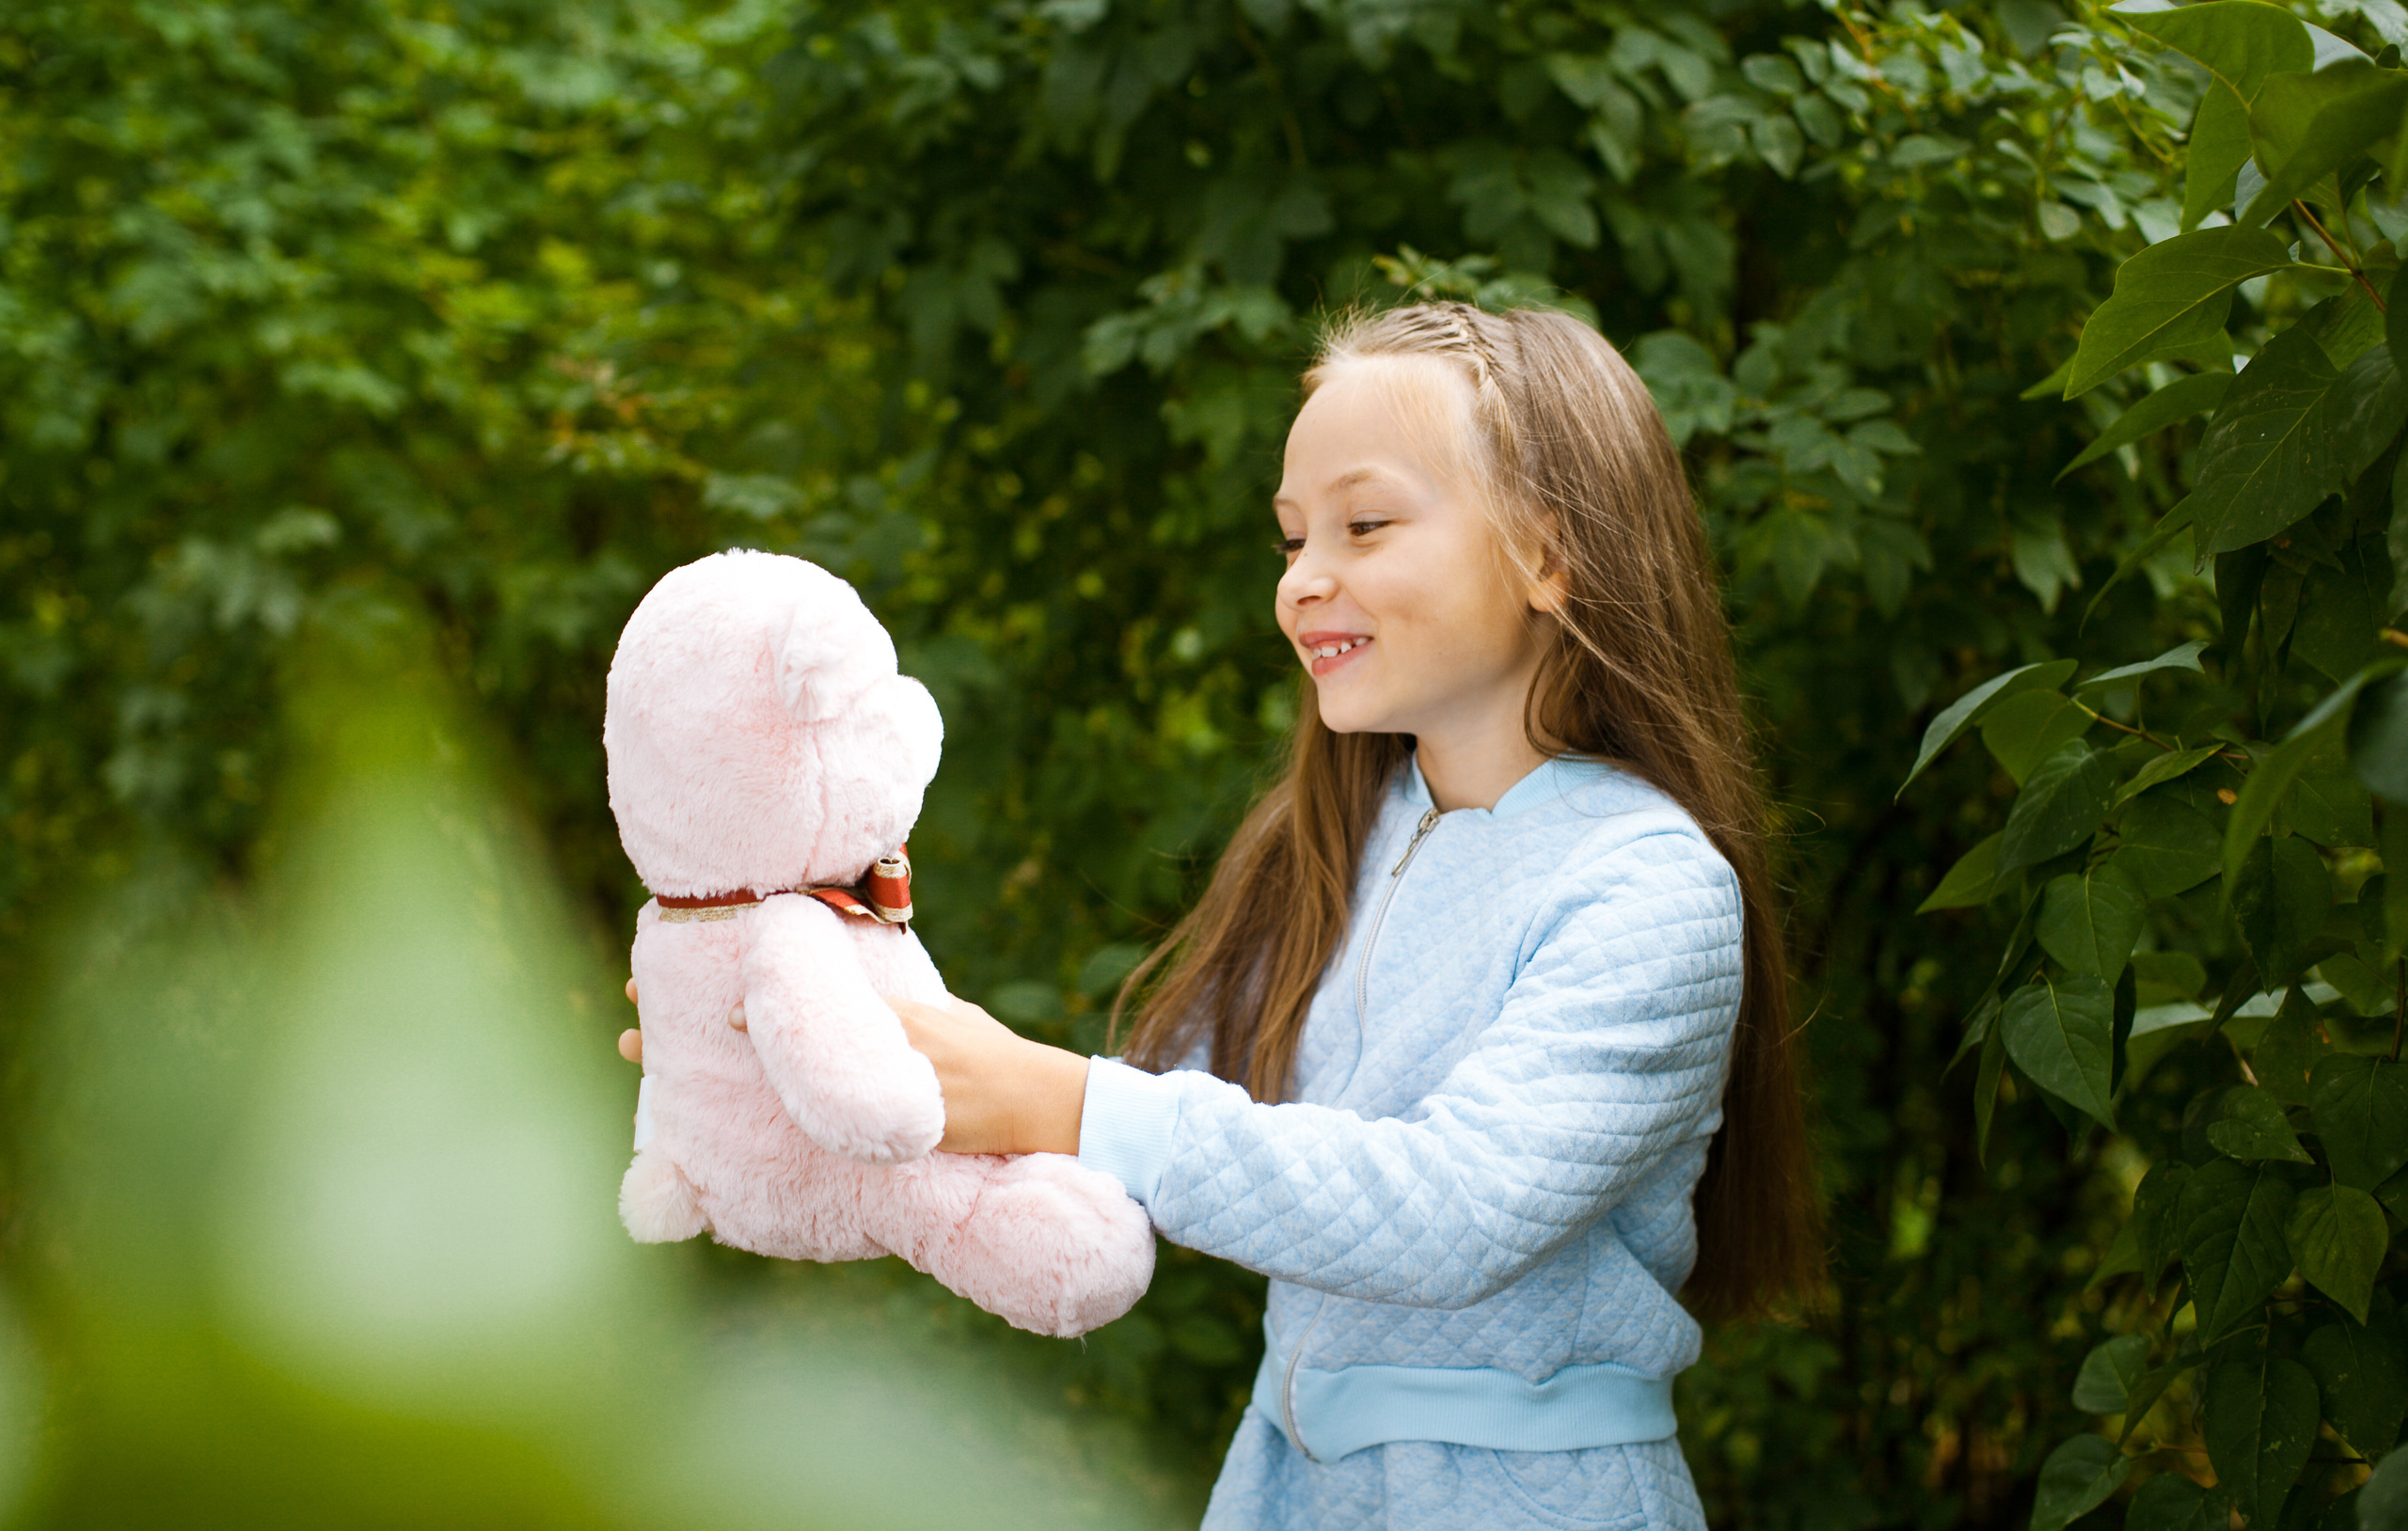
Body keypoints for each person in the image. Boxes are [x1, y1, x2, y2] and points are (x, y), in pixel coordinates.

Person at [624, 301, 1821, 1529]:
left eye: (1366, 524)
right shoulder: (1351, 840)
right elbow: (1163, 1151)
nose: (1304, 581)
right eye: (1294, 538)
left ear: (1550, 554)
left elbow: (1453, 1209)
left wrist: (1064, 1099)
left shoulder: (1648, 890)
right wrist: (785, 1056)